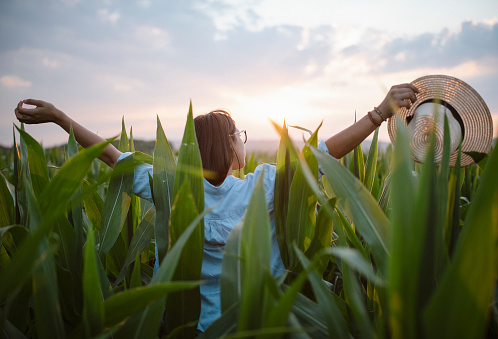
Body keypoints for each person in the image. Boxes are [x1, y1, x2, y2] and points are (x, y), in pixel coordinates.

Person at [14, 83, 418, 331]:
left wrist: (61, 118)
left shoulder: (170, 188)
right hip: (261, 324)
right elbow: (324, 154)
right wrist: (378, 113)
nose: (243, 139)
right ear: (227, 145)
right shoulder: (264, 186)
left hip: (193, 328)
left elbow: (112, 156)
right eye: (238, 134)